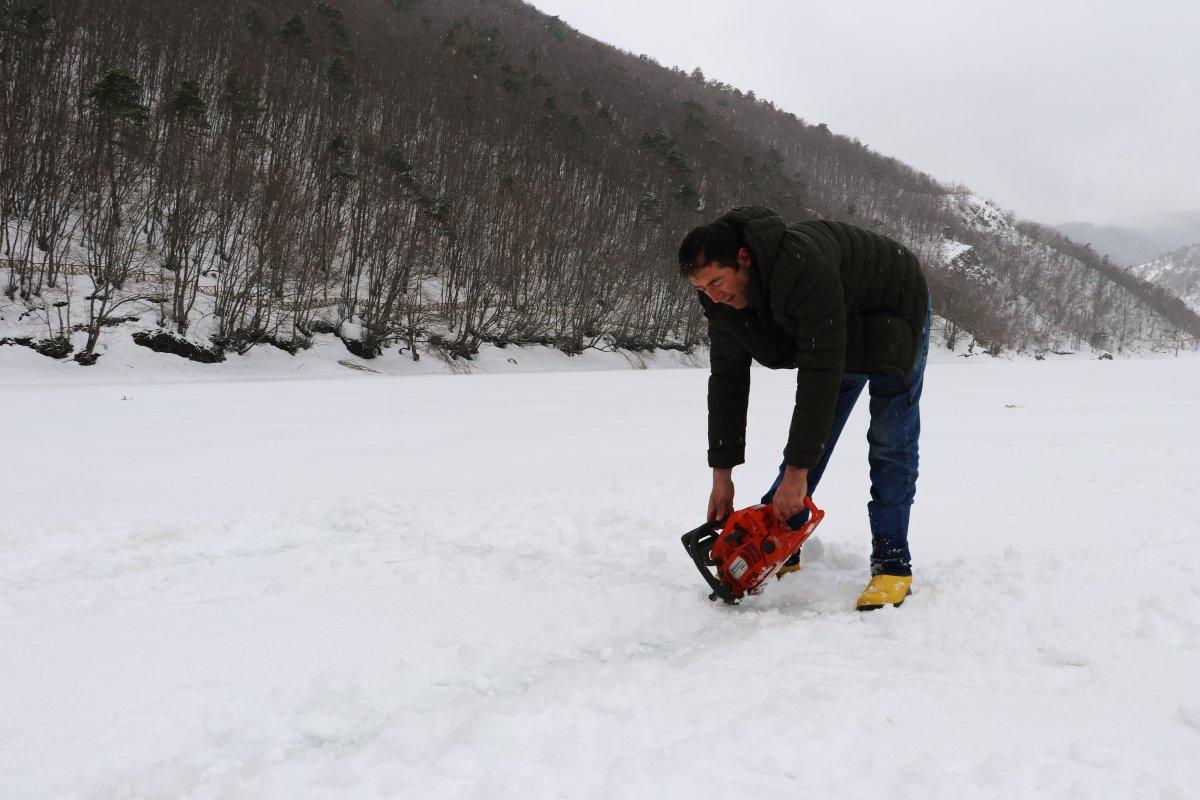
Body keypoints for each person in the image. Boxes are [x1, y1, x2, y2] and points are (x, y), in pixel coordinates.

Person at [679, 206, 931, 610]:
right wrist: (721, 476)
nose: (712, 295)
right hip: (841, 315)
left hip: (894, 304)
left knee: (890, 437)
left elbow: (818, 377)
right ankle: (781, 538)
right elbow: (727, 380)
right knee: (819, 433)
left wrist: (797, 475)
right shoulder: (721, 302)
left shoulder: (800, 268)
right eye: (702, 288)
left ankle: (892, 562)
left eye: (716, 282)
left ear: (743, 259)